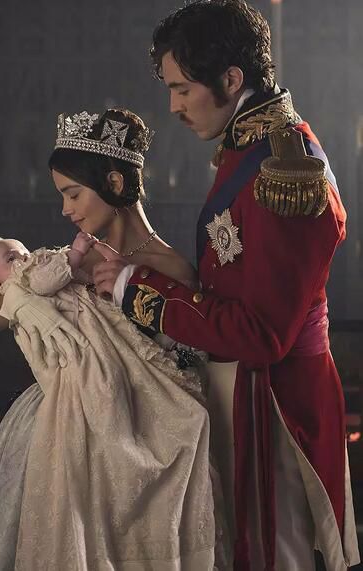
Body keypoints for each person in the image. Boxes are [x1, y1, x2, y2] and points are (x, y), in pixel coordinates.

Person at [90, 2, 360, 570]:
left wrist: (138, 290)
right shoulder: (250, 145)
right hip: (244, 390)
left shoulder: (286, 169)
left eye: (183, 89)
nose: (174, 106)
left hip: (278, 405)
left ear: (232, 79)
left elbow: (261, 333)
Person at [0, 108, 228, 571]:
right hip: (63, 417)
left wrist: (130, 285)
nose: (66, 209)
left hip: (140, 420)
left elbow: (185, 361)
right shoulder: (69, 257)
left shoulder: (170, 267)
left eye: (73, 194)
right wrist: (19, 300)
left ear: (114, 184)